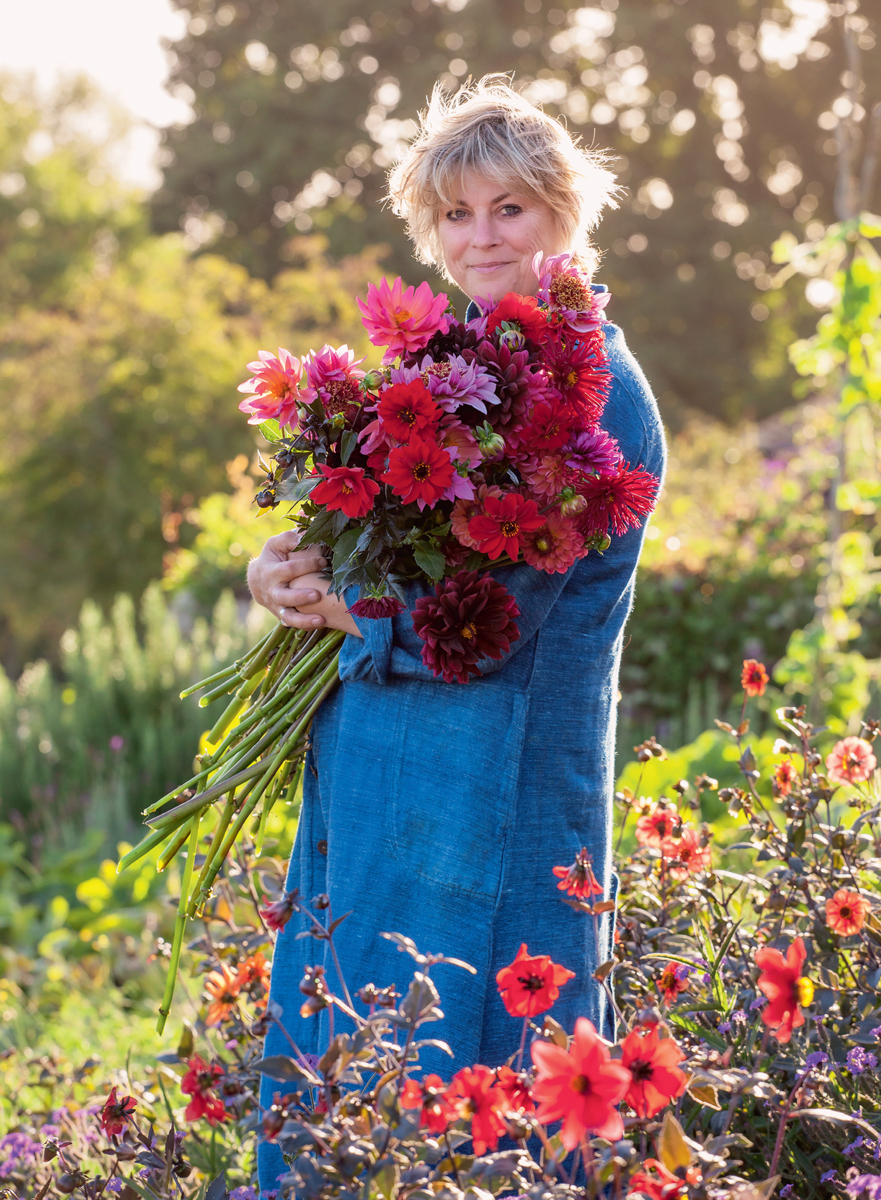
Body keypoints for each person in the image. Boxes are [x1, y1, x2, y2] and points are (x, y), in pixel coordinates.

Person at [248, 77, 666, 1192]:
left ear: (564, 215)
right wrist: (280, 571)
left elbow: (488, 624)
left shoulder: (595, 396)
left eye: (509, 209)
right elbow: (356, 538)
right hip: (385, 795)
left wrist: (343, 605)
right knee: (356, 1068)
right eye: (454, 214)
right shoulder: (446, 364)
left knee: (485, 1091)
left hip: (493, 803)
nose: (479, 236)